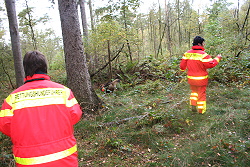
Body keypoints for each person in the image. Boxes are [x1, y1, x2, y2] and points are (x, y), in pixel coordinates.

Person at [0, 51, 82, 166]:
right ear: (45, 68)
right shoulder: (64, 92)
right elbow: (75, 116)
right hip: (64, 158)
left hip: (29, 160)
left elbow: (5, 127)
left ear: (25, 69)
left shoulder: (12, 99)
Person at [180, 36, 222, 114]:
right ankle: (201, 111)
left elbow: (182, 67)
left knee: (194, 92)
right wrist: (218, 58)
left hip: (191, 79)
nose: (204, 44)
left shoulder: (187, 53)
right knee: (201, 94)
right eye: (203, 43)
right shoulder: (203, 55)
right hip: (201, 79)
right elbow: (211, 64)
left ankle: (193, 104)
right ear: (199, 44)